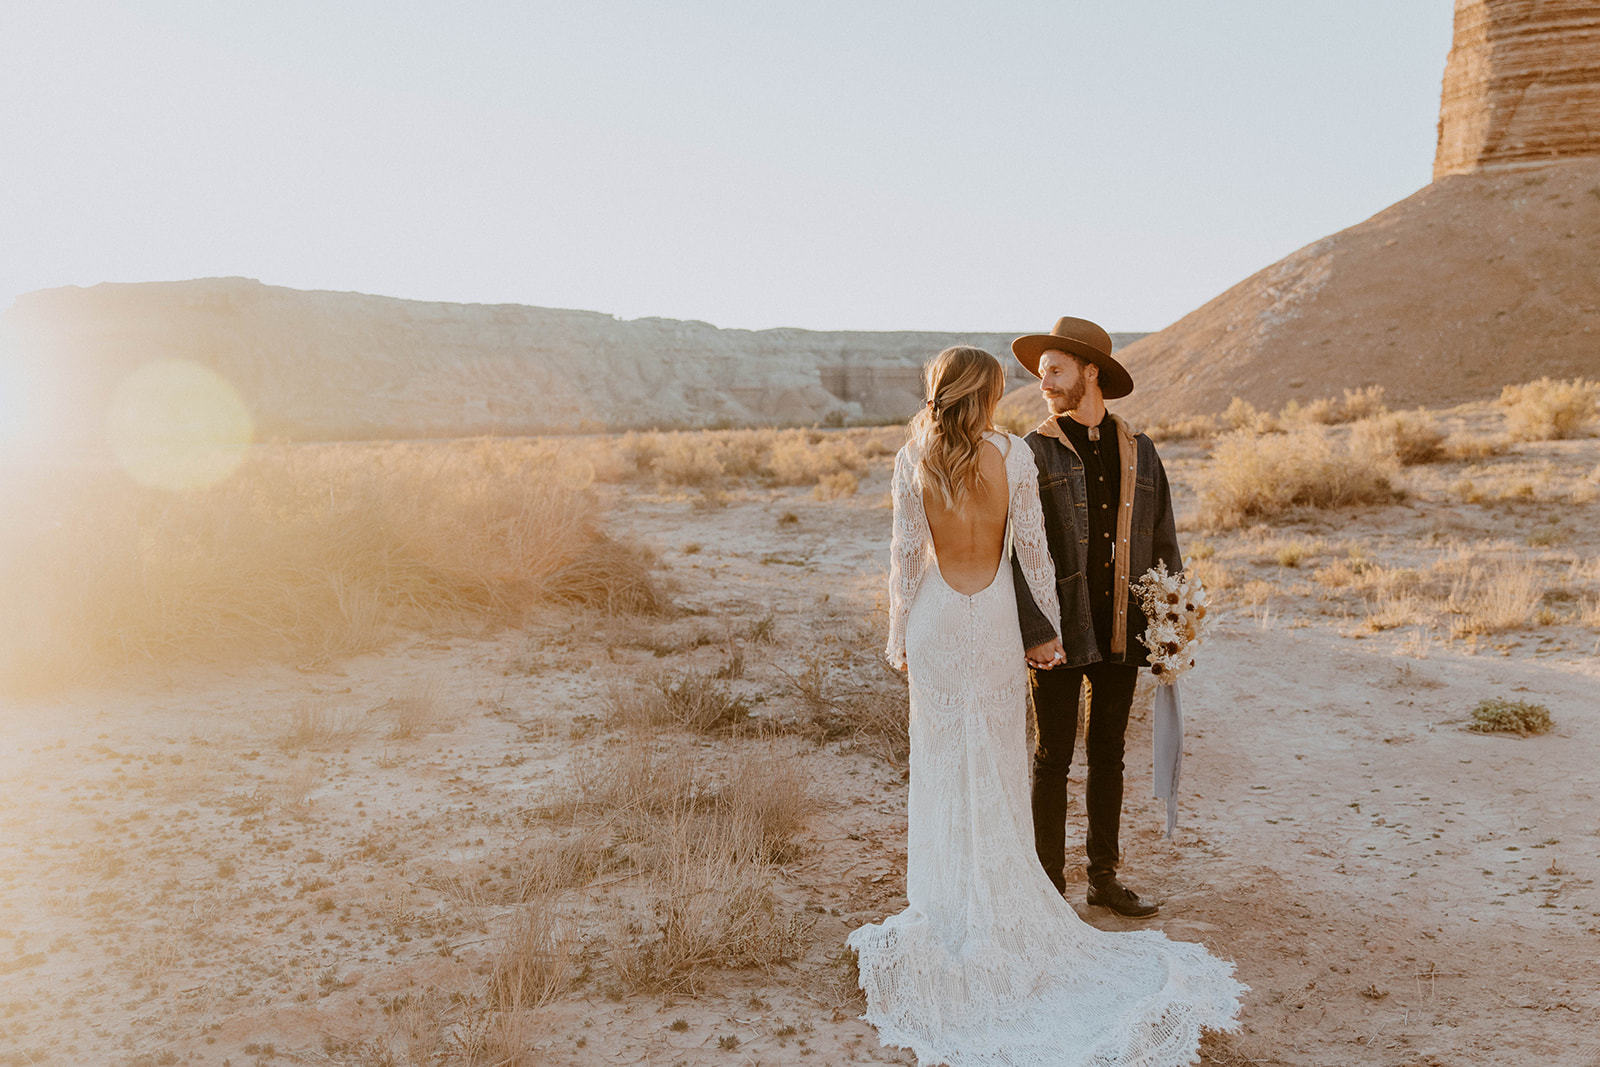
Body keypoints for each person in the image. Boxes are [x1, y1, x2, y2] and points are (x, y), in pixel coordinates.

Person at [848, 346, 1241, 1066]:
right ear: (989, 393)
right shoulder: (1014, 454)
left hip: (937, 620)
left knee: (939, 765)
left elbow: (904, 556)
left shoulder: (912, 457)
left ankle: (948, 904)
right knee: (1002, 759)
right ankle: (1016, 893)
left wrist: (899, 635)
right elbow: (1031, 553)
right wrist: (1051, 635)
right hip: (994, 619)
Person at [1008, 316, 1184, 918]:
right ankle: (1047, 888)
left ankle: (1103, 879)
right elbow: (1016, 554)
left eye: (1054, 370)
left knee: (1109, 752)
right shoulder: (1030, 453)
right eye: (1040, 374)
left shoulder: (1141, 450)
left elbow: (1163, 541)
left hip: (1122, 628)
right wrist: (1035, 631)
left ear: (1091, 372)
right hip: (1057, 633)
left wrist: (1168, 626)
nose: (1044, 383)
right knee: (1052, 756)